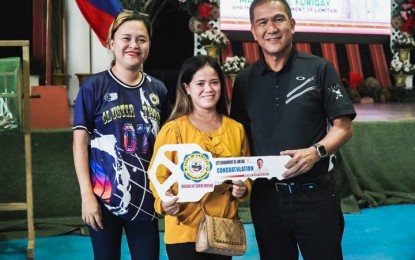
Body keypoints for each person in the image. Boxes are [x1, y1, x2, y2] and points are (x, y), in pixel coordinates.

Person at [230, 0, 356, 259]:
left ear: (292, 24)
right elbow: (241, 136)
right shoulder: (245, 80)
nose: (271, 28)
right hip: (266, 200)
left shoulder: (319, 68)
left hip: (316, 196)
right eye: (262, 22)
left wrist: (316, 152)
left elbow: (344, 127)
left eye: (278, 19)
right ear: (253, 32)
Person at [72, 10, 171, 260]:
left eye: (141, 39)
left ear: (149, 45)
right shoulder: (93, 87)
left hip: (146, 200)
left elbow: (169, 144)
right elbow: (80, 144)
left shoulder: (158, 89)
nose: (133, 45)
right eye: (126, 38)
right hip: (104, 199)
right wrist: (87, 195)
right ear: (112, 43)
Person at [148, 55, 251, 260]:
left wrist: (244, 188)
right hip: (183, 230)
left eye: (214, 82)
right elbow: (157, 175)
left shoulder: (236, 129)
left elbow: (246, 172)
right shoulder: (173, 130)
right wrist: (163, 202)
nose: (208, 89)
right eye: (200, 83)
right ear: (187, 88)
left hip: (223, 230)